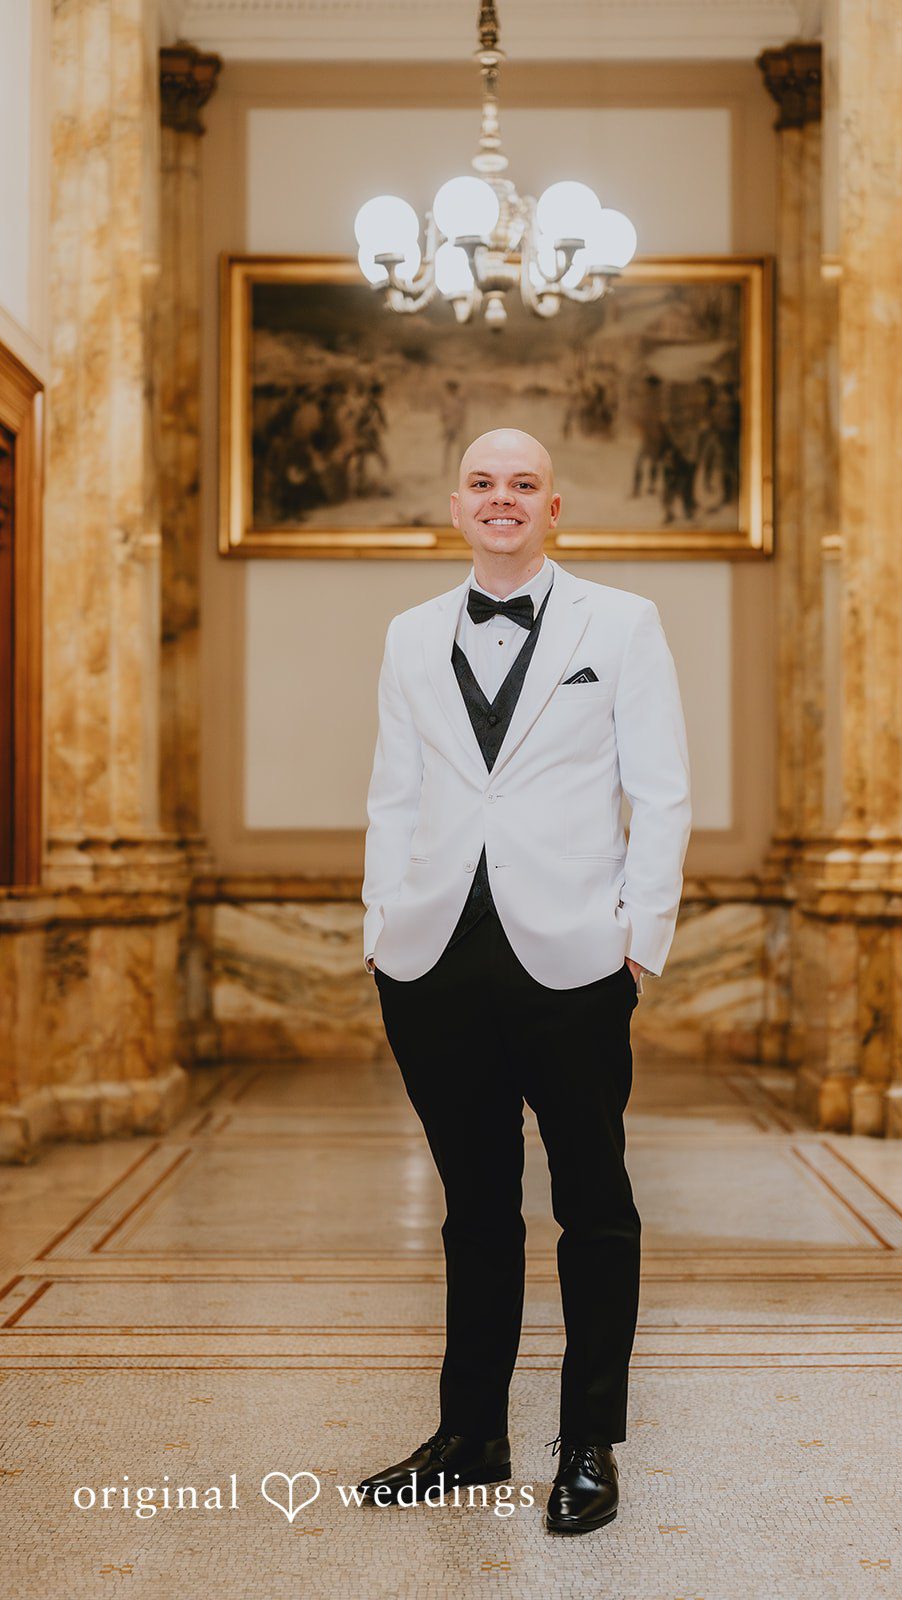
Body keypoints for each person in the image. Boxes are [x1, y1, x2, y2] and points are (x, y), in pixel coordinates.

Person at [357, 428, 691, 1535]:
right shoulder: (408, 637)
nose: (503, 500)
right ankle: (469, 1434)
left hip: (574, 959)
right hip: (434, 959)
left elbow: (663, 789)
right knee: (474, 1213)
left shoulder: (621, 624)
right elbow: (392, 794)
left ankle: (587, 1442)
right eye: (483, 484)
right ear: (454, 505)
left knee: (594, 1205)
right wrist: (379, 925)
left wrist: (637, 934)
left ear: (555, 507)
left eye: (524, 485)